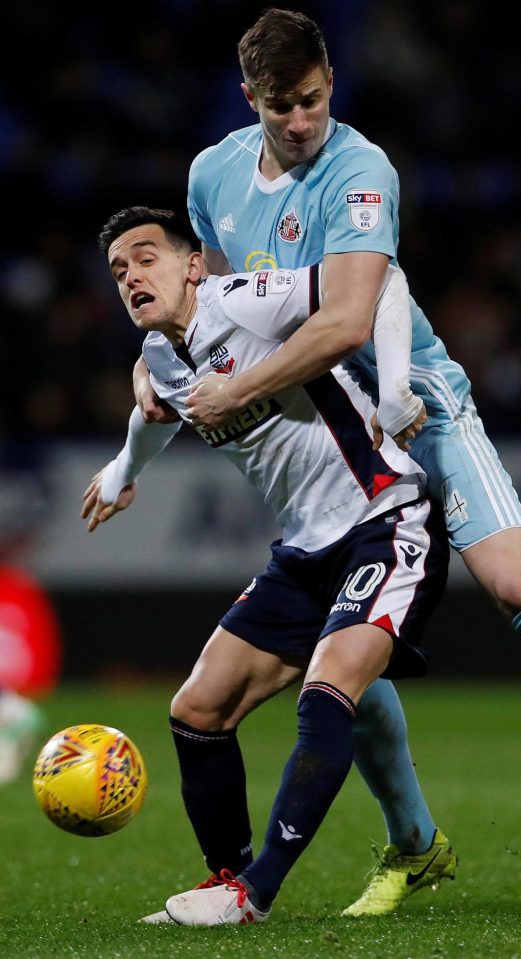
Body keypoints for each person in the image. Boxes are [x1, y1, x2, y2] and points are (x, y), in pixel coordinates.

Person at [141, 6, 521, 873]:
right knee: (347, 645)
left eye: (311, 100)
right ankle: (414, 844)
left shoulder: (360, 171)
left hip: (415, 402)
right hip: (328, 433)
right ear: (249, 100)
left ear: (331, 82)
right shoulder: (211, 177)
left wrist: (236, 388)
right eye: (280, 107)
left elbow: (349, 317)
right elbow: (216, 306)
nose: (300, 121)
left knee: (513, 583)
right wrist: (157, 381)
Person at [84, 205, 451, 925]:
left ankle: (255, 893)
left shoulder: (245, 300)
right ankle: (226, 878)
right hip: (305, 554)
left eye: (146, 256)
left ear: (194, 265)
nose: (131, 275)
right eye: (119, 269)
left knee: (326, 694)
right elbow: (158, 411)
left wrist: (394, 386)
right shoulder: (161, 355)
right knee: (196, 712)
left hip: (384, 519)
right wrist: (125, 468)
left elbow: (376, 284)